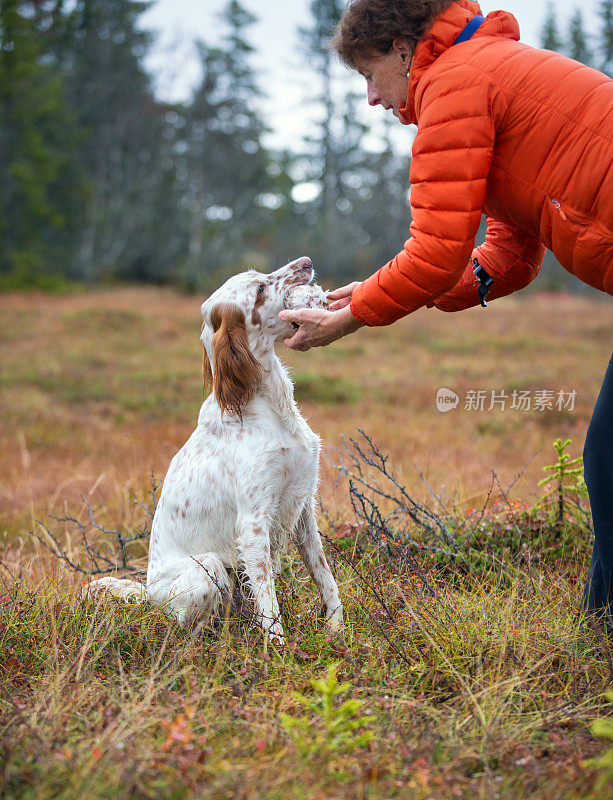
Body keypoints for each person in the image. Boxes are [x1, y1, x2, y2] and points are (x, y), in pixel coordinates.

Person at [278, 0, 613, 632]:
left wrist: (355, 316)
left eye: (369, 74)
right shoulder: (484, 70)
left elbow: (434, 251)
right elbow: (510, 250)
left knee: (610, 460)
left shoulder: (455, 86)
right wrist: (375, 292)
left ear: (401, 49)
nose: (373, 99)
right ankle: (601, 630)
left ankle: (602, 630)